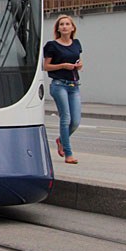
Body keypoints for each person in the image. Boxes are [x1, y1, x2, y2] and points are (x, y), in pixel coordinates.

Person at [43, 14, 84, 164]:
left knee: (76, 121)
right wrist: (62, 66)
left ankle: (61, 140)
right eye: (62, 24)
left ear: (72, 28)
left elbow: (79, 61)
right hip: (59, 85)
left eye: (67, 24)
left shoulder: (76, 44)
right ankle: (68, 154)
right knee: (65, 118)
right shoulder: (52, 46)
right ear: (58, 29)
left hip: (74, 86)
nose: (65, 26)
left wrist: (79, 65)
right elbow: (45, 66)